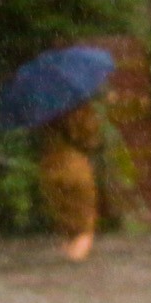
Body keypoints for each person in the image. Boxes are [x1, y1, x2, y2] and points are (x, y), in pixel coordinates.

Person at [39, 101, 102, 262]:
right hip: (75, 164)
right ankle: (77, 249)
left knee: (65, 211)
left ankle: (71, 244)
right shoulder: (79, 107)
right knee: (83, 218)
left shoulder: (42, 108)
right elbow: (89, 136)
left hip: (50, 164)